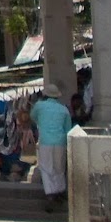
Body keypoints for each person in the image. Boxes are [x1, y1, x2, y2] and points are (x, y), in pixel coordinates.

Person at [29, 83, 74, 212]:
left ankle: (50, 194)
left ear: (45, 94)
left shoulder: (39, 106)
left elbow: (33, 117)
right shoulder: (64, 109)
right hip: (60, 142)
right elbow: (68, 129)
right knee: (59, 168)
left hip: (45, 142)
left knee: (46, 168)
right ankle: (59, 190)